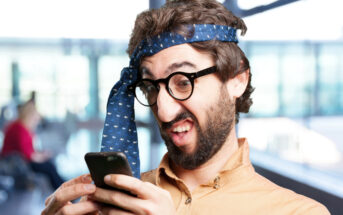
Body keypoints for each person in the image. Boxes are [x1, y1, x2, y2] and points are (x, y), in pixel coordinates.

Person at [41, 0, 330, 214]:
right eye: (151, 88)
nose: (164, 112)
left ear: (237, 79)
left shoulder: (298, 212)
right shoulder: (112, 202)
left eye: (182, 81)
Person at [1, 100, 64, 190]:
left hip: (21, 160)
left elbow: (29, 150)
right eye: (35, 119)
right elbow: (27, 154)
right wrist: (42, 156)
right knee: (49, 167)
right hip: (14, 162)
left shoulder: (23, 127)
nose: (36, 122)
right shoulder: (19, 128)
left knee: (50, 164)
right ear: (29, 116)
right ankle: (62, 189)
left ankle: (63, 187)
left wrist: (42, 155)